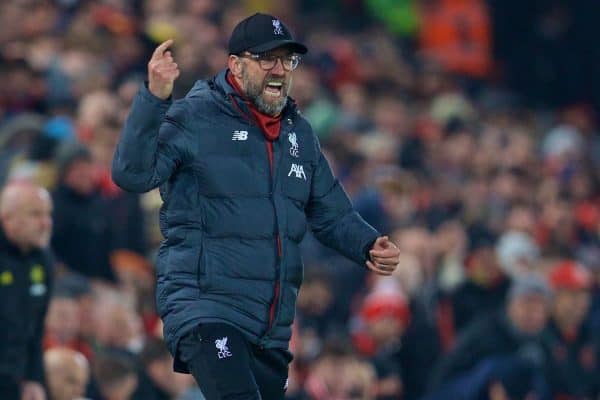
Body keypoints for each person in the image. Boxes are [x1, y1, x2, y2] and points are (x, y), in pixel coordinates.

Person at [112, 12, 400, 399]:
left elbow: (331, 211)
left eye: (288, 60)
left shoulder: (299, 132)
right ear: (235, 64)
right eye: (267, 59)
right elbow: (132, 174)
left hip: (270, 326)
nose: (279, 69)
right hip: (206, 308)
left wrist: (367, 243)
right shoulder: (195, 116)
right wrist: (154, 98)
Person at [0, 181, 53, 400]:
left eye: (48, 214)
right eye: (35, 215)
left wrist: (34, 379)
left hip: (15, 380)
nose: (45, 223)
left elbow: (36, 329)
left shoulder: (43, 261)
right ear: (8, 219)